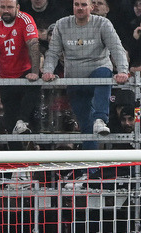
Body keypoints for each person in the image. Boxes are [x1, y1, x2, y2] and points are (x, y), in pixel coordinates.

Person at [41, 0, 128, 146]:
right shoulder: (62, 24)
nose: (80, 8)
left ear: (91, 7)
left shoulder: (103, 24)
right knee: (86, 126)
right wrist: (48, 71)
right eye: (77, 5)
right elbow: (53, 52)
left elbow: (116, 48)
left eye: (83, 5)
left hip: (98, 68)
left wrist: (123, 71)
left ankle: (100, 119)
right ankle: (90, 169)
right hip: (74, 79)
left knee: (103, 74)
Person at [0, 0, 41, 135]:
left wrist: (35, 72)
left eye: (10, 7)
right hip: (6, 77)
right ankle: (16, 154)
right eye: (3, 7)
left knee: (30, 116)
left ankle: (24, 122)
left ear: (17, 7)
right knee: (10, 123)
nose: (6, 10)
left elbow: (33, 44)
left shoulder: (26, 19)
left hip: (25, 73)